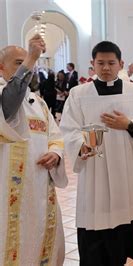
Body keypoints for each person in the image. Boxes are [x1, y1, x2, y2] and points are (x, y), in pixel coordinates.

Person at [60, 41, 133, 265]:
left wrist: (129, 125)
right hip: (95, 170)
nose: (106, 68)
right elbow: (68, 128)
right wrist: (80, 145)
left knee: (122, 234)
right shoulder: (79, 94)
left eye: (111, 63)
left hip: (126, 170)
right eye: (100, 63)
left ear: (121, 64)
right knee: (94, 234)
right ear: (92, 64)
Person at [0, 34, 67, 265]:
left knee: (39, 241)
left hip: (39, 189)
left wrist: (56, 153)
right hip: (6, 190)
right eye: (19, 63)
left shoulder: (38, 103)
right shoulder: (2, 94)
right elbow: (9, 106)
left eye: (28, 63)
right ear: (1, 67)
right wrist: (32, 57)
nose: (27, 67)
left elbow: (55, 135)